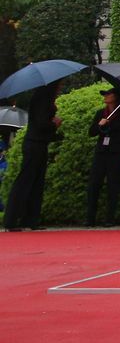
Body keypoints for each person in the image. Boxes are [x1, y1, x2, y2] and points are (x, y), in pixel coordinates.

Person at [4, 80, 63, 232]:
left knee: (36, 182)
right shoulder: (42, 100)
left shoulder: (44, 100)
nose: (60, 88)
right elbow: (41, 124)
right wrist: (54, 123)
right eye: (59, 86)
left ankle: (30, 219)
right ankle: (12, 219)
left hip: (39, 143)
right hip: (34, 144)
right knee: (25, 181)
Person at [85, 87, 120, 227]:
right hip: (101, 152)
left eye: (109, 94)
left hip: (117, 153)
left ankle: (109, 218)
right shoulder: (100, 113)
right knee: (94, 185)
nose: (106, 97)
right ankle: (90, 218)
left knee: (113, 186)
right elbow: (92, 132)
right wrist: (99, 125)